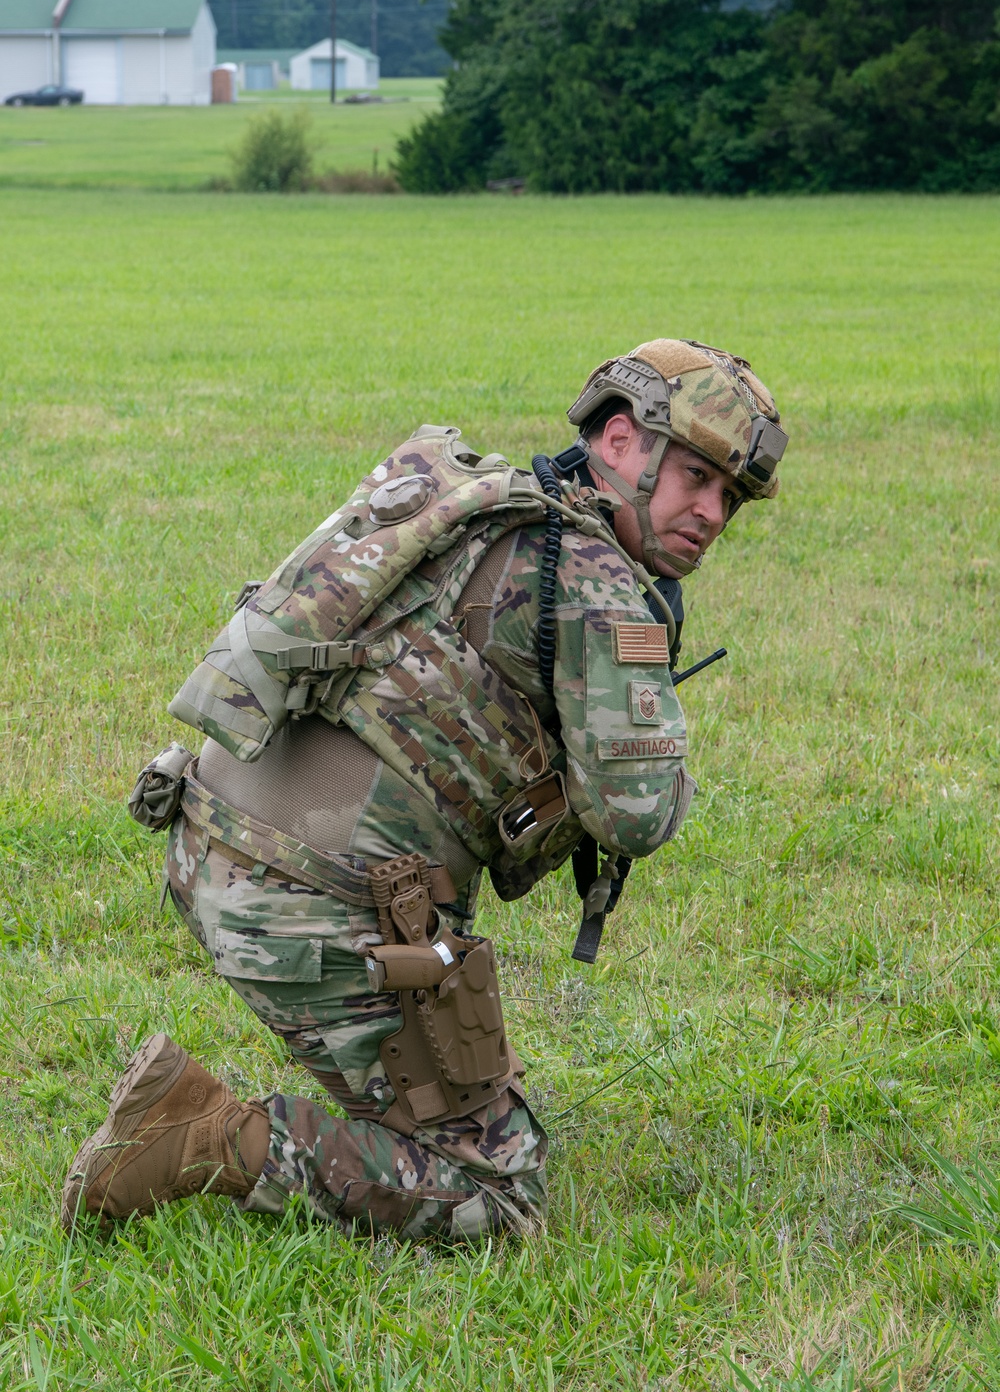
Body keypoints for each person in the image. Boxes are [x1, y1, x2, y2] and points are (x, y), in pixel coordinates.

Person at [62, 339, 788, 1242]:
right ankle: (201, 1135)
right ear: (615, 440)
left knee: (480, 1108)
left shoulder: (473, 504)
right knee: (498, 1191)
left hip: (208, 835)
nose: (712, 512)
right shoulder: (600, 587)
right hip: (301, 903)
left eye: (731, 497)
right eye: (694, 476)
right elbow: (635, 815)